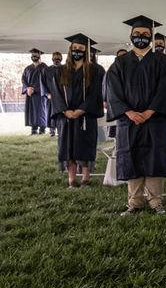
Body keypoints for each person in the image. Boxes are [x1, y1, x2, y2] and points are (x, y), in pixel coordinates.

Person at [106, 15, 166, 216]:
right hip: (129, 121)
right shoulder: (119, 63)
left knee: (155, 157)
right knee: (132, 157)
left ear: (152, 36)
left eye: (146, 34)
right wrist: (129, 112)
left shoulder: (163, 62)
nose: (141, 37)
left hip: (155, 120)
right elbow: (113, 91)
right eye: (137, 34)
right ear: (131, 36)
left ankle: (156, 201)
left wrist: (148, 112)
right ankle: (135, 202)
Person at [49, 34, 105, 188]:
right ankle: (72, 179)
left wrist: (81, 110)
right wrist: (65, 110)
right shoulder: (60, 71)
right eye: (74, 48)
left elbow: (95, 94)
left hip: (86, 116)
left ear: (86, 51)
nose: (77, 51)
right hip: (66, 116)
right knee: (68, 146)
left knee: (85, 144)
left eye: (81, 48)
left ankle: (86, 177)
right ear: (70, 50)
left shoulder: (94, 70)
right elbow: (56, 93)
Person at [22, 48, 49, 135]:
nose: (34, 57)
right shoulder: (28, 68)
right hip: (31, 94)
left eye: (36, 55)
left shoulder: (45, 67)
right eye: (33, 55)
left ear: (40, 56)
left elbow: (48, 80)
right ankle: (33, 130)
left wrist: (46, 91)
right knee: (32, 111)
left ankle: (42, 130)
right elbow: (24, 80)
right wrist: (27, 88)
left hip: (41, 93)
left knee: (42, 111)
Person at [43, 52, 64, 137]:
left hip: (61, 96)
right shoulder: (46, 70)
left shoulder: (65, 69)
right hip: (51, 96)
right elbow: (42, 83)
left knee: (60, 113)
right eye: (55, 58)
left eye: (58, 58)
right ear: (52, 59)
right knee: (50, 113)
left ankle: (60, 130)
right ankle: (52, 130)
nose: (56, 60)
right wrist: (47, 93)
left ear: (61, 59)